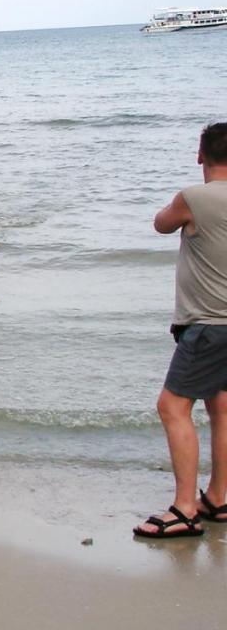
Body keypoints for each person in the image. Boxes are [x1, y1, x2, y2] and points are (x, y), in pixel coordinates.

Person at [134, 122, 227, 539]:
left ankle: (185, 509)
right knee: (221, 408)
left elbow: (161, 223)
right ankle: (219, 497)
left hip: (206, 323)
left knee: (172, 407)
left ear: (200, 155)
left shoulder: (193, 198)